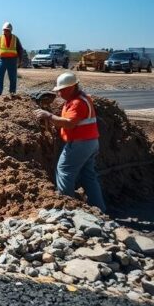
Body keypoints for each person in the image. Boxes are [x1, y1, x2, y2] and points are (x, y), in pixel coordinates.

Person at [33, 72, 106, 212]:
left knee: (64, 171)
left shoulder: (77, 103)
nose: (59, 93)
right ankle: (99, 208)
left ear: (72, 87)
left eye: (61, 90)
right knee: (88, 175)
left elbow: (69, 123)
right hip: (90, 143)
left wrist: (48, 115)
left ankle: (68, 209)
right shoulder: (81, 98)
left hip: (80, 144)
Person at [0, 22, 27, 95]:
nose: (6, 31)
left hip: (12, 61)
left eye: (7, 30)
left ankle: (12, 93)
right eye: (5, 30)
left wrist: (20, 61)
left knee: (13, 77)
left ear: (11, 30)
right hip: (1, 60)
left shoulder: (15, 39)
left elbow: (20, 50)